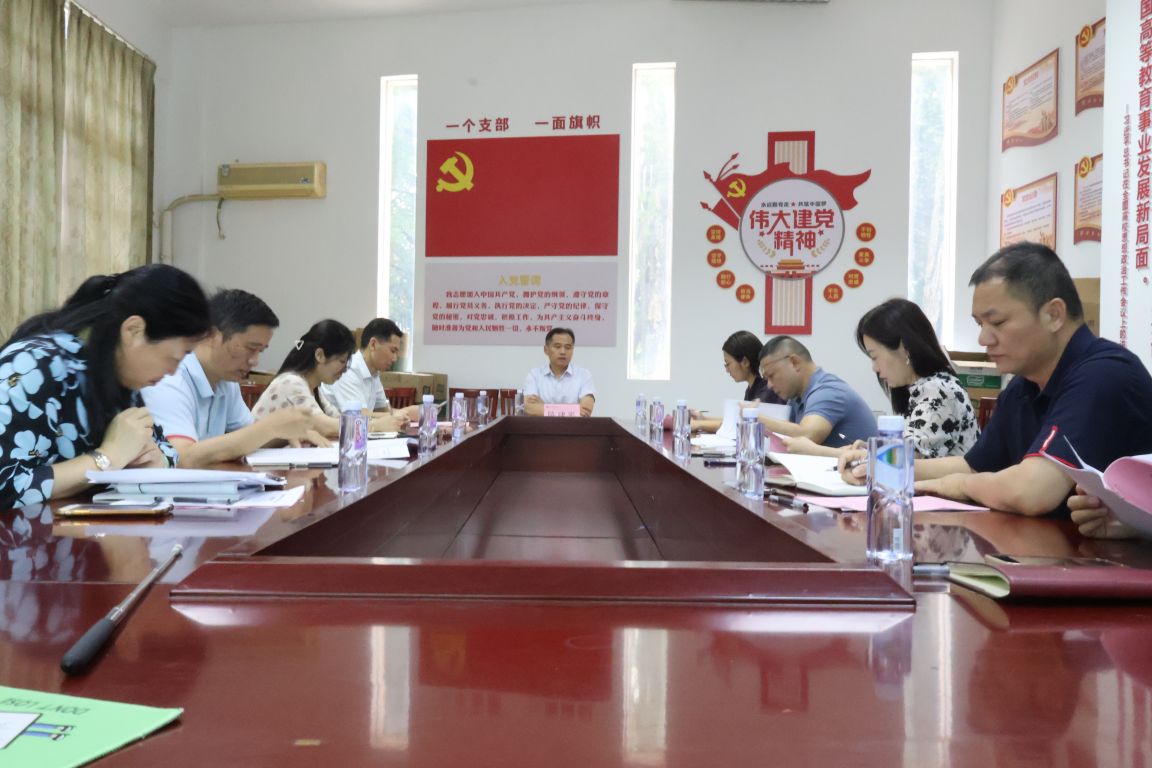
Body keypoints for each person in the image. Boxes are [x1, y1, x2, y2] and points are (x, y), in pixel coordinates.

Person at [841, 242, 1152, 516]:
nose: (983, 339)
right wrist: (882, 466)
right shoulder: (1022, 386)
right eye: (979, 324)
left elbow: (1032, 491)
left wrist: (957, 485)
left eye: (998, 322)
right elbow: (973, 465)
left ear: (1054, 315)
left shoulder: (1104, 374)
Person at [0, 264, 211, 509]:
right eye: (173, 358)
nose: (173, 372)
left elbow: (165, 449)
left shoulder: (117, 372)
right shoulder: (34, 366)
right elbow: (6, 485)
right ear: (134, 330)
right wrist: (107, 457)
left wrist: (155, 460)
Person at [142, 289, 328, 469]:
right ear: (212, 335)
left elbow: (245, 439)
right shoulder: (169, 378)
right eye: (250, 348)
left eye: (260, 351)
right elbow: (181, 458)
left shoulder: (225, 380)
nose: (255, 361)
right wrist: (270, 427)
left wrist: (286, 432)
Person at [250, 320, 402, 438]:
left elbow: (339, 419)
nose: (345, 370)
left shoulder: (314, 389)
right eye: (342, 361)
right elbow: (325, 426)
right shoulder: (291, 382)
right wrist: (376, 426)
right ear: (320, 355)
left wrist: (382, 422)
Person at [754, 335, 876, 448]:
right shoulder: (796, 398)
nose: (769, 385)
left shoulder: (828, 391)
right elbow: (787, 440)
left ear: (795, 362)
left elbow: (807, 437)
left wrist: (754, 416)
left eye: (771, 375)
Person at [321, 318, 419, 428]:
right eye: (392, 351)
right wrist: (403, 413)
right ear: (373, 344)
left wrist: (405, 414)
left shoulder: (374, 373)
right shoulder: (347, 370)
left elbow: (382, 410)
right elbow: (358, 416)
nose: (395, 358)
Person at [691, 330, 784, 433]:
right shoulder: (752, 388)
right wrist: (704, 419)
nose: (727, 370)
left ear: (745, 362)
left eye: (728, 364)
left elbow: (739, 426)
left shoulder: (766, 391)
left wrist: (699, 424)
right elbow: (735, 420)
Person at [522, 327, 596, 416]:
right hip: (541, 425)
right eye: (557, 347)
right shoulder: (534, 375)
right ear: (546, 349)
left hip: (573, 425)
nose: (563, 352)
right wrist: (573, 410)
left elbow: (585, 410)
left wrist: (544, 406)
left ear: (573, 350)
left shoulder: (584, 375)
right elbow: (529, 408)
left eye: (568, 347)